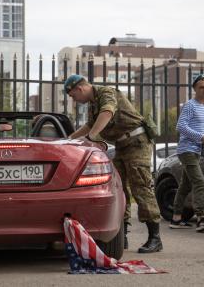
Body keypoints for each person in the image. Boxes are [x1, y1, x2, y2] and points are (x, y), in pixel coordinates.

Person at [65, 74, 162, 253]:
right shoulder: (94, 102)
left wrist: (92, 136)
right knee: (119, 189)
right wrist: (68, 139)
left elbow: (107, 112)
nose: (74, 100)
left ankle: (155, 238)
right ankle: (122, 236)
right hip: (122, 145)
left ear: (79, 89)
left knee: (140, 187)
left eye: (73, 96)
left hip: (136, 143)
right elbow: (89, 125)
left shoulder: (105, 93)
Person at [170, 74, 204, 232]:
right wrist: (201, 136)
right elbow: (180, 126)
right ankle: (200, 219)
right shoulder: (190, 105)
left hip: (197, 150)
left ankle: (176, 219)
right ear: (195, 90)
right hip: (186, 150)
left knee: (185, 186)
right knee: (199, 182)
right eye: (202, 87)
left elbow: (203, 126)